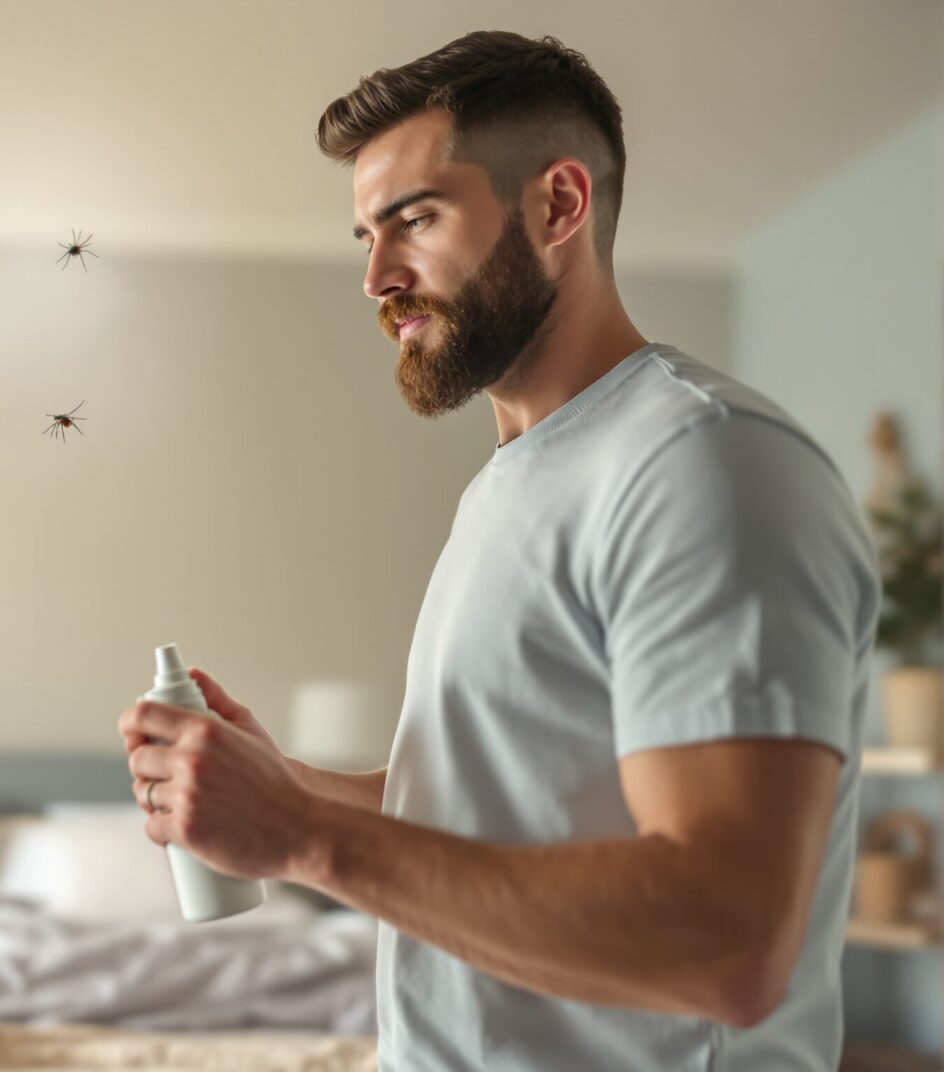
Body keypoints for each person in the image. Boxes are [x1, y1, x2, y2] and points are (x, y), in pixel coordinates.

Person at [120, 31, 878, 1071]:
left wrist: (304, 835)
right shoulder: (513, 485)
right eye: (364, 238)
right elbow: (510, 803)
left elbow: (729, 941)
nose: (377, 276)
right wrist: (287, 787)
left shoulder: (701, 462)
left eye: (415, 220)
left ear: (558, 205)